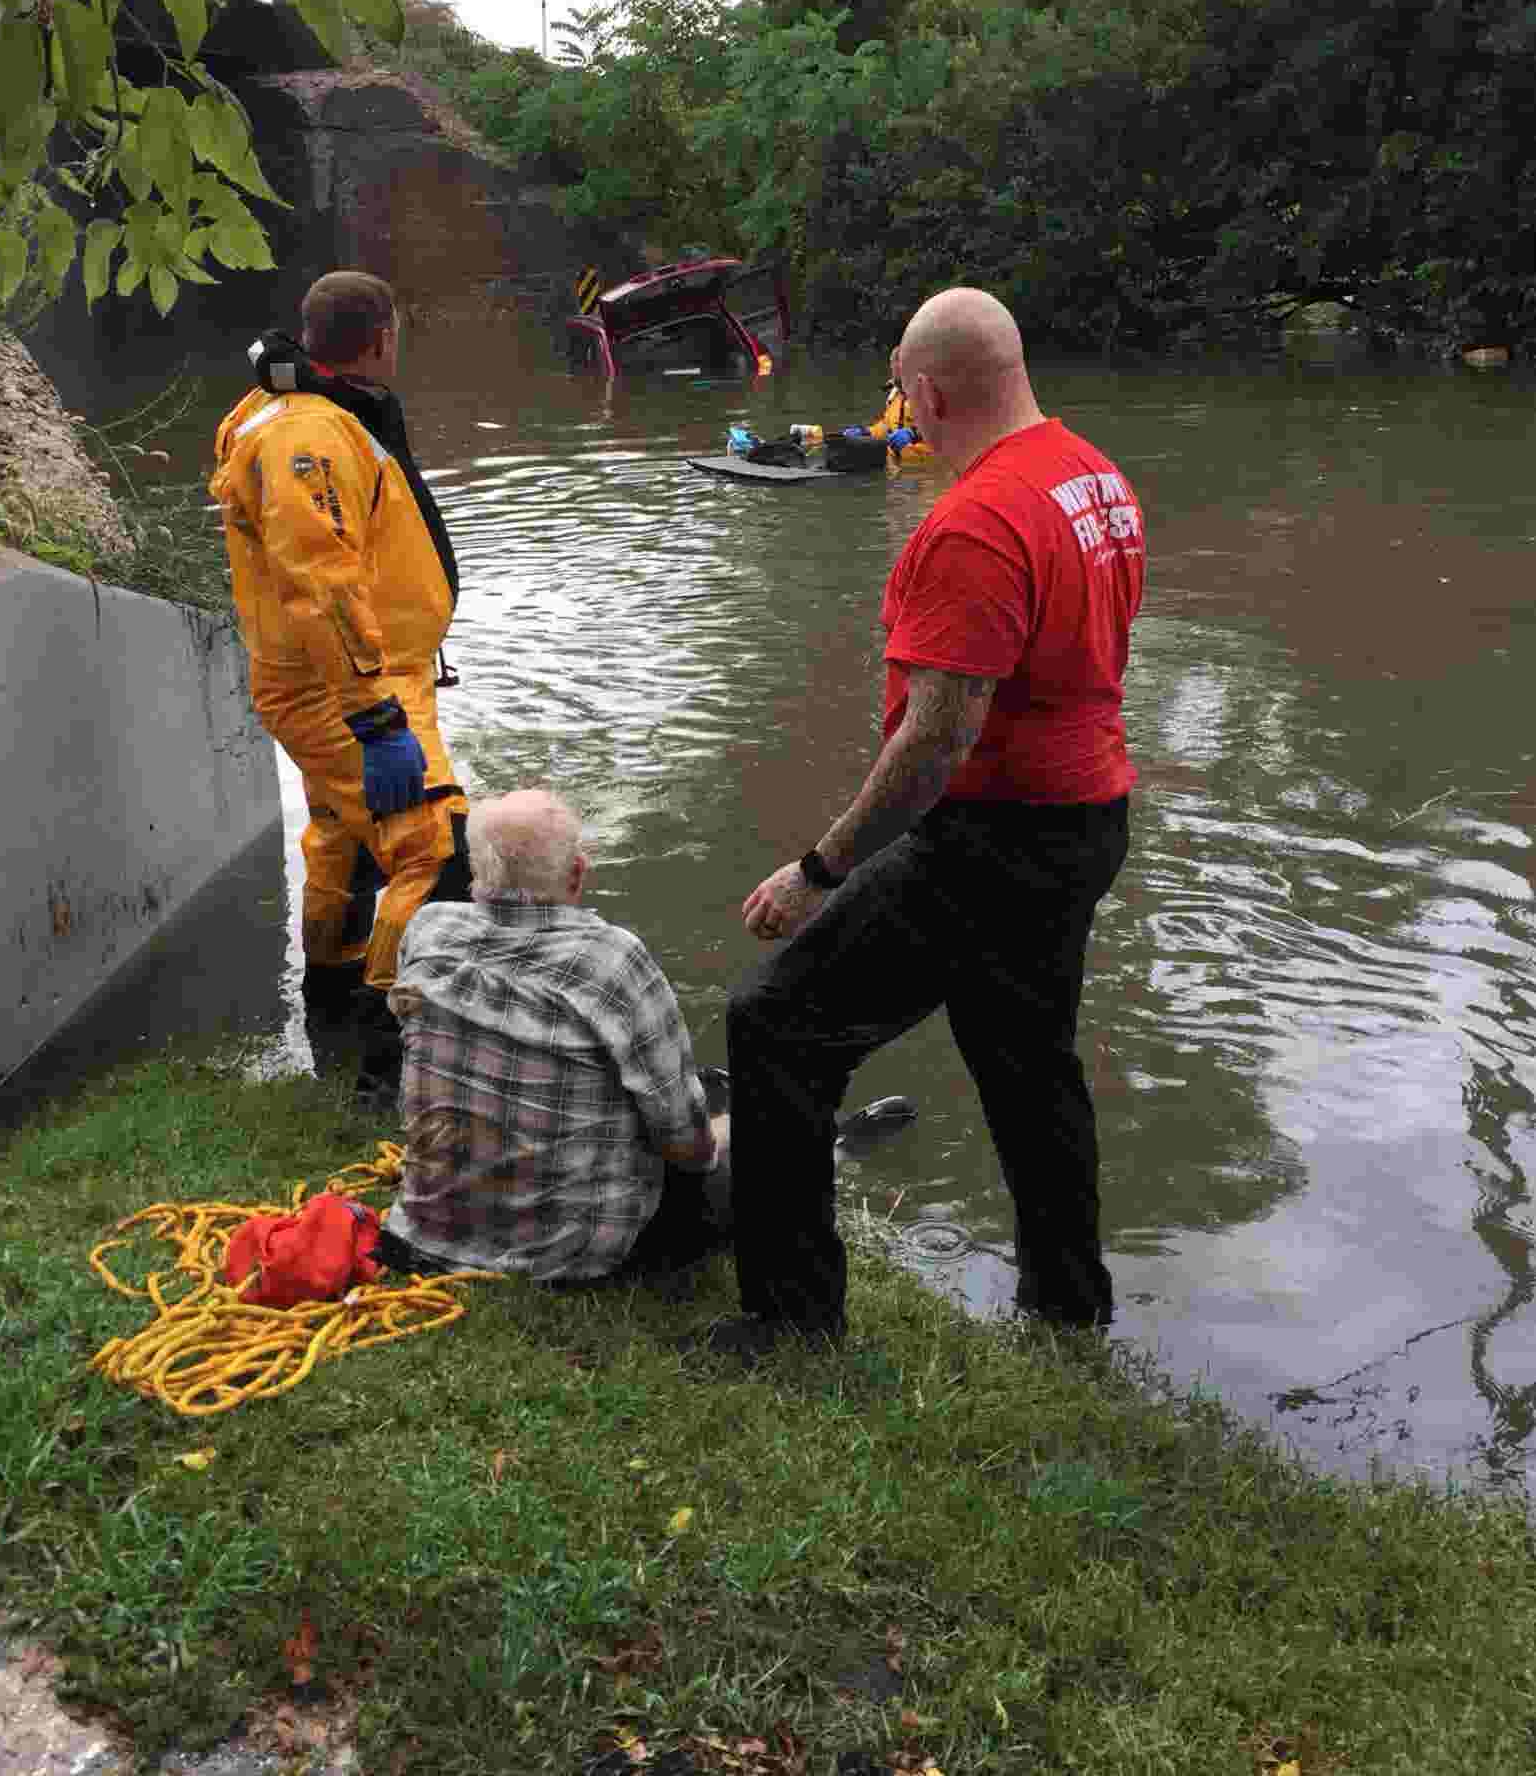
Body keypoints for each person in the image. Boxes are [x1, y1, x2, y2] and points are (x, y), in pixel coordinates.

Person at [695, 287, 1145, 1361]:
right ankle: (1066, 1305)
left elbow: (937, 739)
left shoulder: (973, 523)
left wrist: (821, 866)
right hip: (1086, 814)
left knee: (775, 1028)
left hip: (988, 837)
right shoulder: (1093, 474)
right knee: (1027, 1059)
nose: (896, 408)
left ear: (930, 392)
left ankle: (793, 1320)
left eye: (899, 390)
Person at [210, 270, 470, 1090]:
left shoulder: (283, 412)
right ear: (383, 337)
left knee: (343, 839)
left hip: (353, 678)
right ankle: (389, 1057)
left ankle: (328, 1005)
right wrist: (378, 721)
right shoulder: (306, 437)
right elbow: (319, 583)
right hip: (350, 689)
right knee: (437, 854)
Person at [382, 790, 729, 1283]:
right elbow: (684, 1144)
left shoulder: (427, 929)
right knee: (737, 1137)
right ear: (577, 874)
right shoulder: (613, 961)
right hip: (564, 1255)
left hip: (426, 1231)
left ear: (476, 872)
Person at [865, 344, 932, 462]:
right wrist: (867, 432)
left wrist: (914, 434)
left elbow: (947, 428)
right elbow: (887, 425)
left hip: (928, 462)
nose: (892, 368)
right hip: (901, 460)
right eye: (892, 363)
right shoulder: (895, 395)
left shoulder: (928, 393)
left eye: (895, 363)